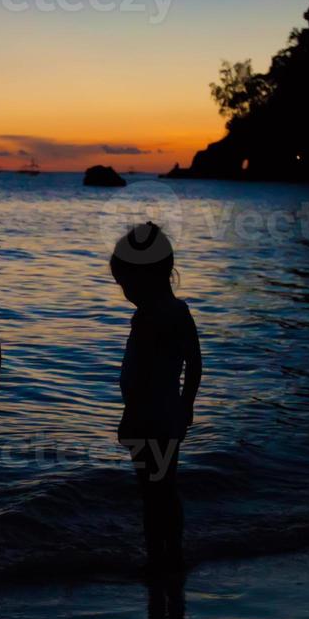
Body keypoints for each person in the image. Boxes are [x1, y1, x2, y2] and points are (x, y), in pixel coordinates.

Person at [110, 222, 201, 573]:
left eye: (125, 283)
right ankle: (171, 552)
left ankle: (156, 556)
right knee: (165, 489)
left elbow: (140, 376)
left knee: (151, 493)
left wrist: (130, 415)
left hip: (148, 418)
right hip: (169, 416)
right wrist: (186, 404)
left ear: (144, 276)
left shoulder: (148, 317)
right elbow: (194, 364)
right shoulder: (180, 312)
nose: (124, 292)